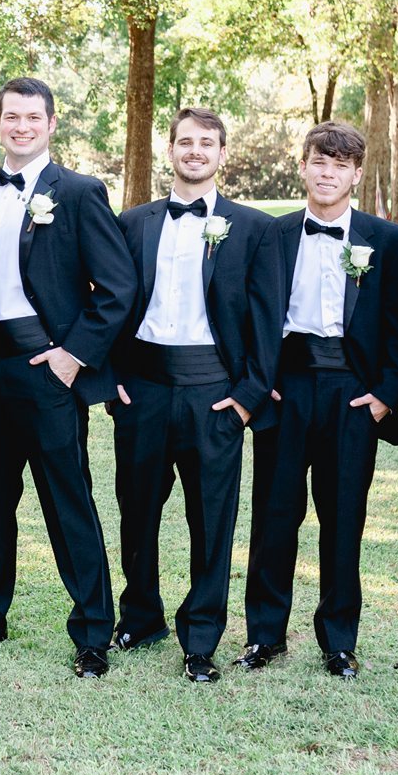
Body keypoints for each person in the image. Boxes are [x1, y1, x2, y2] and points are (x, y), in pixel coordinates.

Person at [0, 77, 136, 679]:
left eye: (33, 118)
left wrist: (72, 356)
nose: (21, 127)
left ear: (52, 125)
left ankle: (93, 631)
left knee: (66, 498)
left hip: (44, 367)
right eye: (11, 117)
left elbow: (118, 287)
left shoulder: (77, 192)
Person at [110, 106, 282, 684]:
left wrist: (247, 396)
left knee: (211, 519)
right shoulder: (133, 223)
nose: (195, 151)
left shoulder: (255, 228)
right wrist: (114, 382)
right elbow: (109, 304)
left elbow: (267, 319)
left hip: (214, 392)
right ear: (170, 150)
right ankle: (141, 615)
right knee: (137, 509)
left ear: (222, 154)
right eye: (185, 142)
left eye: (206, 143)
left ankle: (202, 637)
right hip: (144, 388)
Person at [238, 120, 398, 680]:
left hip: (352, 395)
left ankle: (339, 641)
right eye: (319, 161)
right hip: (285, 389)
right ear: (303, 166)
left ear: (357, 175)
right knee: (274, 515)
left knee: (344, 518)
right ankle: (265, 636)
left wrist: (386, 395)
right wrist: (256, 379)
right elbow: (248, 312)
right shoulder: (273, 234)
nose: (328, 172)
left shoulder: (387, 242)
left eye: (341, 165)